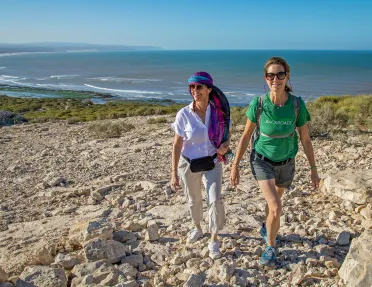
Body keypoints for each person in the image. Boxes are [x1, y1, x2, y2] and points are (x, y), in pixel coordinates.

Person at [230, 57, 320, 266]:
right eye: (271, 75)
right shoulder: (259, 104)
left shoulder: (297, 104)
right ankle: (270, 246)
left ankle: (266, 228)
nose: (275, 79)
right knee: (276, 206)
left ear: (287, 76)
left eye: (280, 74)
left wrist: (314, 169)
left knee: (273, 205)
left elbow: (305, 139)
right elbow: (245, 136)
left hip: (287, 162)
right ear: (266, 78)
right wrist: (235, 165)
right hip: (262, 160)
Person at [170, 71, 231, 260]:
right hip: (189, 164)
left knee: (214, 200)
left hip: (212, 163)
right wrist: (173, 173)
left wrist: (225, 146)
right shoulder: (184, 114)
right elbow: (177, 144)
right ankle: (197, 227)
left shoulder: (220, 113)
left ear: (208, 89)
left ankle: (213, 239)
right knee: (194, 201)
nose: (195, 91)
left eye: (199, 87)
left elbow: (226, 138)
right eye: (192, 87)